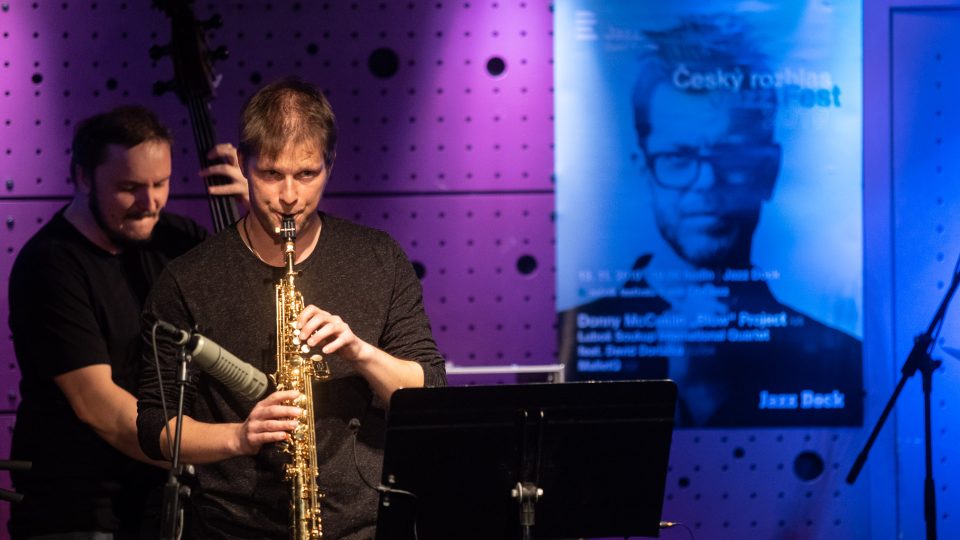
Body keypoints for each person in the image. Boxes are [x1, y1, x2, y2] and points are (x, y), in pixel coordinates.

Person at [136, 77, 447, 539]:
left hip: (360, 526)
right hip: (232, 528)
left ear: (330, 165)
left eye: (306, 174)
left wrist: (360, 352)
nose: (288, 197)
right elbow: (155, 426)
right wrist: (238, 437)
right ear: (242, 165)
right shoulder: (189, 278)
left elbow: (429, 388)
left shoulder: (378, 258)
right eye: (270, 174)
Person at [561, 16, 862, 427]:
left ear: (769, 170)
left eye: (732, 157)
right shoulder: (575, 338)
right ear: (643, 168)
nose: (706, 182)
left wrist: (707, 392)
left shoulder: (841, 357)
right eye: (678, 157)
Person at [7, 105, 249, 538]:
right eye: (129, 188)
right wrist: (228, 443)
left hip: (164, 501)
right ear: (83, 177)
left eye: (161, 184)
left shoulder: (178, 241)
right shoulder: (50, 265)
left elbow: (258, 313)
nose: (150, 202)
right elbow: (100, 408)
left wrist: (257, 214)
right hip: (80, 511)